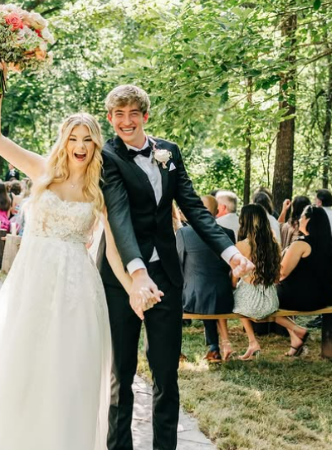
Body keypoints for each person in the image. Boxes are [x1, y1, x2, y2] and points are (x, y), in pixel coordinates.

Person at [0, 61, 128, 450]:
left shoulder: (99, 192)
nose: (80, 146)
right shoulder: (41, 170)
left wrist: (133, 287)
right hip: (33, 281)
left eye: (88, 140)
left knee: (68, 370)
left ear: (96, 145)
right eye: (74, 138)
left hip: (77, 287)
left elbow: (116, 249)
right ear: (64, 140)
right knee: (26, 363)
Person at [97, 84, 253, 450]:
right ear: (110, 118)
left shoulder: (169, 152)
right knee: (122, 371)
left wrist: (230, 253)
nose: (126, 121)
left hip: (166, 274)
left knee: (166, 371)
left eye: (133, 113)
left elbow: (194, 208)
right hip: (122, 278)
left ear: (145, 116)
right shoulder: (106, 156)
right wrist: (136, 273)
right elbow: (118, 216)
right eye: (118, 114)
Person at [232, 204, 309, 358]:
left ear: (244, 222)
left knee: (235, 303)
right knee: (263, 308)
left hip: (252, 302)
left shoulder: (241, 246)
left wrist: (235, 283)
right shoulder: (273, 242)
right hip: (271, 298)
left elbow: (234, 279)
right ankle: (295, 331)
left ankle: (253, 342)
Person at [176, 195, 236, 363]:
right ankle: (214, 349)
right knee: (208, 292)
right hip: (223, 297)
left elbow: (178, 266)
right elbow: (229, 266)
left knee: (194, 291)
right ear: (217, 212)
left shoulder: (183, 233)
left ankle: (176, 350)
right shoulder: (229, 233)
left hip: (194, 298)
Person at [278, 205, 332, 312]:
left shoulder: (300, 244)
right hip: (323, 298)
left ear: (309, 220)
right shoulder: (327, 244)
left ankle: (285, 328)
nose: (299, 220)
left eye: (302, 217)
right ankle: (292, 329)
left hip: (300, 300)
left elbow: (282, 273)